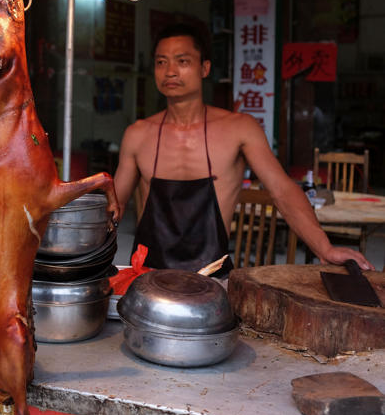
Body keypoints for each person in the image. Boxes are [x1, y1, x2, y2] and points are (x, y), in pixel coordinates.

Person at [113, 22, 374, 273]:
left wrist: (325, 248)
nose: (170, 71)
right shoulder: (138, 134)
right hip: (147, 279)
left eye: (182, 61)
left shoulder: (238, 128)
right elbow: (114, 206)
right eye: (161, 62)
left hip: (212, 281)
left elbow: (282, 190)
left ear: (204, 68)